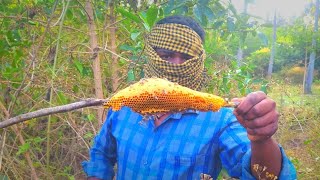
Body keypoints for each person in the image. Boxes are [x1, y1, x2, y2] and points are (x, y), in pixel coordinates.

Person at [82, 15, 297, 180]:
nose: (175, 65)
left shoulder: (220, 118)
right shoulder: (124, 105)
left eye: (186, 58)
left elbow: (264, 174)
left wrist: (261, 138)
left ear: (199, 62)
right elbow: (101, 154)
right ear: (150, 57)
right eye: (166, 56)